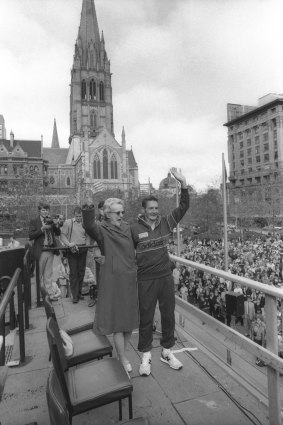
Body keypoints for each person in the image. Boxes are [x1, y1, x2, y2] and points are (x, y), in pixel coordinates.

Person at [130, 168, 190, 376]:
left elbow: (183, 206)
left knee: (168, 316)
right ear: (144, 210)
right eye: (151, 208)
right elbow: (128, 255)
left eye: (156, 208)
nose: (154, 211)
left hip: (165, 277)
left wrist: (183, 184)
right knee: (146, 317)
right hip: (145, 279)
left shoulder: (167, 223)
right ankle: (145, 355)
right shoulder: (134, 229)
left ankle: (167, 351)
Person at [82, 198, 138, 374]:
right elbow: (89, 224)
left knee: (129, 322)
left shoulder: (129, 227)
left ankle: (123, 355)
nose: (121, 216)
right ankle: (122, 358)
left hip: (129, 277)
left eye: (123, 212)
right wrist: (89, 204)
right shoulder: (101, 229)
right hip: (113, 279)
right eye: (117, 213)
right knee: (118, 323)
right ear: (106, 214)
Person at [28, 202, 61, 294]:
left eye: (47, 210)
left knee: (48, 275)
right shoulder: (34, 221)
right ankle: (39, 297)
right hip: (40, 251)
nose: (45, 212)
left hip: (50, 250)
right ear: (39, 211)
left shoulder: (51, 219)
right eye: (43, 210)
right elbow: (31, 235)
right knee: (39, 275)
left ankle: (49, 295)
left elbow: (58, 233)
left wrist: (56, 224)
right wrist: (42, 229)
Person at [60, 206, 89, 303]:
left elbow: (88, 236)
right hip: (72, 249)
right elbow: (62, 236)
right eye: (77, 216)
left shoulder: (85, 223)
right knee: (73, 273)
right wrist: (69, 244)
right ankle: (74, 295)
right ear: (74, 215)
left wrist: (87, 246)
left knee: (81, 272)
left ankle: (79, 292)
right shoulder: (69, 223)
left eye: (80, 216)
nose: (78, 218)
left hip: (83, 248)